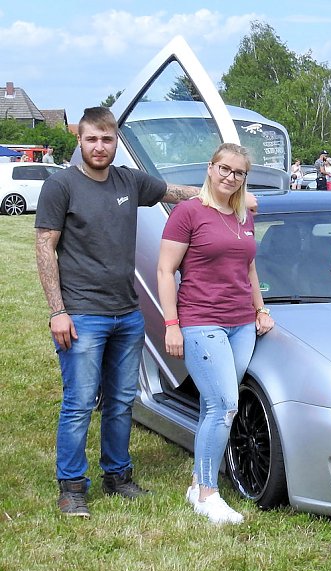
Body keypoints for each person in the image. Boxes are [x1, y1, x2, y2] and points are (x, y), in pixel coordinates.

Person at [35, 106, 200, 518]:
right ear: (79, 140)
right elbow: (44, 247)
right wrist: (58, 310)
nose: (99, 146)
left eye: (107, 139)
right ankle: (72, 487)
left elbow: (174, 192)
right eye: (91, 139)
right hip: (82, 314)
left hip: (126, 314)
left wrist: (222, 192)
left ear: (116, 142)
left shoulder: (128, 180)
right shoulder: (62, 185)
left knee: (122, 399)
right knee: (78, 401)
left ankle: (118, 476)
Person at [157, 142, 274, 525]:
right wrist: (172, 324)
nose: (230, 177)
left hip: (241, 324)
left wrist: (260, 309)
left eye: (238, 172)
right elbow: (164, 271)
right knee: (225, 405)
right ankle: (207, 493)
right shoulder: (188, 213)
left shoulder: (244, 215)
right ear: (210, 168)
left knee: (215, 405)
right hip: (200, 321)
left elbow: (249, 269)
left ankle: (197, 482)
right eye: (224, 168)